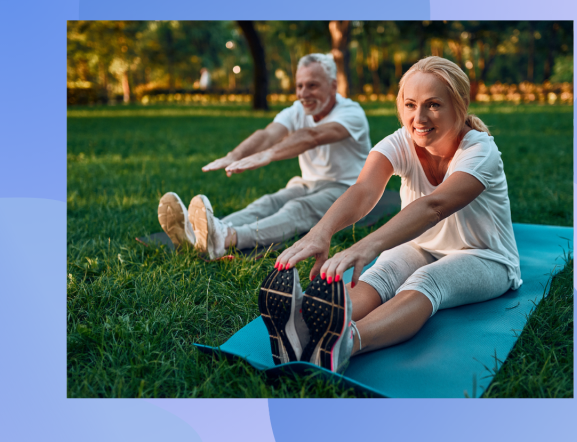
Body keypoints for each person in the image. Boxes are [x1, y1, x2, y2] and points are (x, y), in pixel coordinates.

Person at [261, 56, 522, 372]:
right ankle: (306, 330)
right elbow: (363, 191)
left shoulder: (480, 152)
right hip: (421, 246)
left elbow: (433, 206)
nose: (419, 117)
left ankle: (346, 343)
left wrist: (365, 246)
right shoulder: (402, 141)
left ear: (460, 103)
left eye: (433, 105)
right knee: (380, 273)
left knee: (427, 280)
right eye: (410, 105)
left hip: (486, 257)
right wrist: (322, 232)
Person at [158, 53, 371, 260]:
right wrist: (234, 155)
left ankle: (227, 239)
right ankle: (199, 233)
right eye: (299, 86)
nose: (303, 93)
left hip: (348, 188)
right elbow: (268, 134)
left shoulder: (352, 114)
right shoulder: (298, 109)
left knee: (298, 208)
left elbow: (312, 136)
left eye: (312, 85)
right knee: (266, 203)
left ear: (333, 86)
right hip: (308, 183)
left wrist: (269, 155)